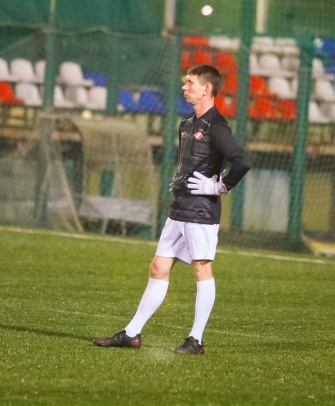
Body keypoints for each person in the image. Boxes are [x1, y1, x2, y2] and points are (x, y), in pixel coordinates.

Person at [92, 64, 252, 354]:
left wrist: (220, 187)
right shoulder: (187, 123)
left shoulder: (217, 126)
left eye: (190, 82)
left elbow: (242, 161)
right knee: (158, 267)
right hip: (179, 208)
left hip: (201, 211)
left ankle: (196, 340)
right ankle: (132, 334)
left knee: (202, 268)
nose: (184, 87)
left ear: (206, 88)